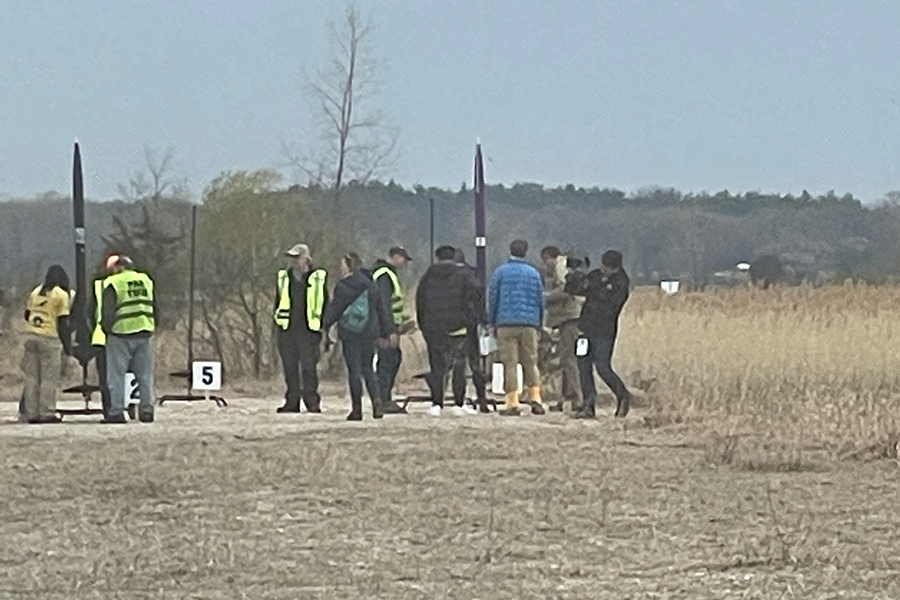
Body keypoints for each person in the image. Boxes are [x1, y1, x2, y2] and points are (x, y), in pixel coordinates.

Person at [322, 253, 396, 420]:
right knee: (368, 368)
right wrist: (388, 332)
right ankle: (377, 402)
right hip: (370, 333)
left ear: (348, 265)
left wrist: (325, 325)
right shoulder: (371, 285)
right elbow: (382, 311)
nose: (340, 268)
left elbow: (336, 310)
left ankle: (357, 409)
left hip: (350, 333)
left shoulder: (343, 286)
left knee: (354, 370)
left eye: (342, 264)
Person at [565, 249, 633, 419]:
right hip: (585, 328)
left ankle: (623, 395)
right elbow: (575, 290)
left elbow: (609, 304)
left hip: (605, 331)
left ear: (615, 268)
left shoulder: (621, 283)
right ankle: (588, 403)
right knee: (583, 364)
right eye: (603, 266)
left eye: (608, 268)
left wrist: (595, 288)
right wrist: (575, 276)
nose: (604, 270)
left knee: (602, 366)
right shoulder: (595, 276)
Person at [416, 245, 481, 417]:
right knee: (459, 366)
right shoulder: (466, 276)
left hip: (434, 328)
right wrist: (471, 322)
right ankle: (459, 403)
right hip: (458, 328)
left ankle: (436, 403)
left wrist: (424, 326)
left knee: (437, 366)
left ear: (437, 257)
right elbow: (474, 299)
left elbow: (420, 303)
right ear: (454, 257)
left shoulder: (427, 277)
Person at [488, 240, 545, 416]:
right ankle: (535, 398)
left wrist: (492, 322)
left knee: (510, 363)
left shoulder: (501, 272)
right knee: (531, 361)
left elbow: (493, 297)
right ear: (526, 252)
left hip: (506, 322)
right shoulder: (533, 273)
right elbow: (540, 299)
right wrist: (539, 323)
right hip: (529, 323)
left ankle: (513, 401)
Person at [274, 243, 329, 413]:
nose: (293, 261)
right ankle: (292, 401)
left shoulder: (317, 278)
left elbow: (325, 303)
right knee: (290, 367)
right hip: (287, 329)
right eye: (292, 257)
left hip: (309, 330)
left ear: (306, 258)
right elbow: (277, 302)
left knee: (308, 367)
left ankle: (312, 402)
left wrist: (325, 329)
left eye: (297, 257)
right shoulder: (284, 277)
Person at [101, 255, 156, 424]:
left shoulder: (114, 282)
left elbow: (108, 311)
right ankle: (146, 411)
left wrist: (107, 329)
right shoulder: (146, 280)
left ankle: (117, 412)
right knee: (144, 376)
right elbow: (155, 305)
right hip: (144, 331)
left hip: (121, 333)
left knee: (116, 376)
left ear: (118, 267)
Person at [20, 265, 72, 423]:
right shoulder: (60, 294)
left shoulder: (36, 292)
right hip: (49, 337)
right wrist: (67, 346)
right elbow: (63, 322)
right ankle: (47, 411)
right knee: (48, 378)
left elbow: (26, 314)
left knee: (32, 378)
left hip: (30, 336)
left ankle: (31, 413)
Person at [540, 246, 585, 412]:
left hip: (569, 317)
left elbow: (566, 290)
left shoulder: (560, 266)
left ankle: (579, 398)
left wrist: (546, 298)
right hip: (573, 317)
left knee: (569, 359)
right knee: (568, 358)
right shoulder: (569, 265)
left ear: (549, 257)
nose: (546, 266)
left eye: (545, 261)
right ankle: (567, 398)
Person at [372, 246, 413, 414]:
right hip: (384, 328)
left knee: (392, 360)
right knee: (388, 362)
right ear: (395, 257)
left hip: (386, 326)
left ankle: (384, 397)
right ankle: (383, 399)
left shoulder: (385, 273)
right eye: (403, 259)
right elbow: (384, 305)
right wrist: (389, 331)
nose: (404, 263)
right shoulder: (385, 276)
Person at [452, 248, 489, 412]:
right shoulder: (473, 275)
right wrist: (483, 320)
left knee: (457, 364)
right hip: (471, 324)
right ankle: (482, 398)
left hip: (452, 325)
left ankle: (458, 400)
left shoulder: (447, 276)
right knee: (475, 364)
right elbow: (480, 300)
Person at [88, 255, 120, 419]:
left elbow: (90, 313)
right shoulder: (123, 284)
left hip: (101, 336)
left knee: (105, 378)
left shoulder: (97, 285)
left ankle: (109, 410)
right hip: (119, 336)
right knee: (120, 375)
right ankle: (119, 408)